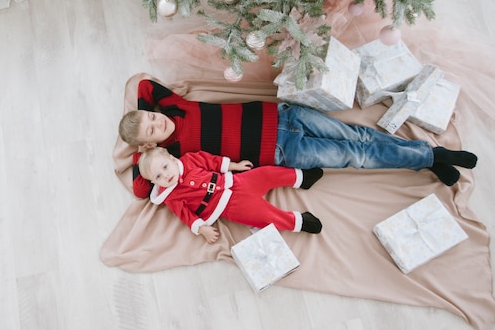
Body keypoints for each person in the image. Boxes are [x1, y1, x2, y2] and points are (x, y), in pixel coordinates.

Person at [119, 79, 478, 198]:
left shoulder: (174, 106)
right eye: (152, 129)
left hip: (284, 115)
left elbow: (145, 85)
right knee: (356, 157)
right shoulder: (174, 154)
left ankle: (429, 155)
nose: (158, 122)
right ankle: (431, 158)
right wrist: (143, 148)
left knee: (359, 136)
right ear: (150, 144)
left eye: (153, 117)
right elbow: (140, 187)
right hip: (282, 149)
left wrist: (141, 118)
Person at [138, 147, 324, 243]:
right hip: (229, 207)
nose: (166, 175)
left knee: (267, 173)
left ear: (171, 158)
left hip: (235, 182)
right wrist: (201, 229)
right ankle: (299, 222)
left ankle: (300, 177)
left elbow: (210, 161)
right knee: (264, 216)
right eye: (158, 176)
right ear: (155, 183)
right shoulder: (171, 197)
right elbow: (185, 216)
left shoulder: (187, 161)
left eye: (165, 167)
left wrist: (233, 166)